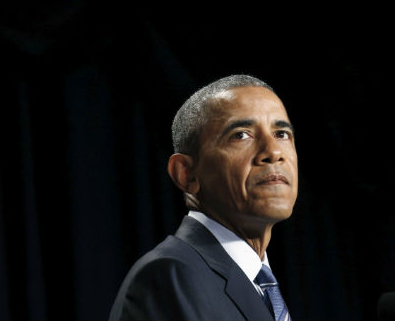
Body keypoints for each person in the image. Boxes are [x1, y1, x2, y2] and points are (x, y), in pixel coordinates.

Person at [109, 74, 298, 320]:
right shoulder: (170, 276)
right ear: (187, 174)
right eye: (241, 135)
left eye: (282, 134)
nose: (273, 152)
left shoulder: (260, 283)